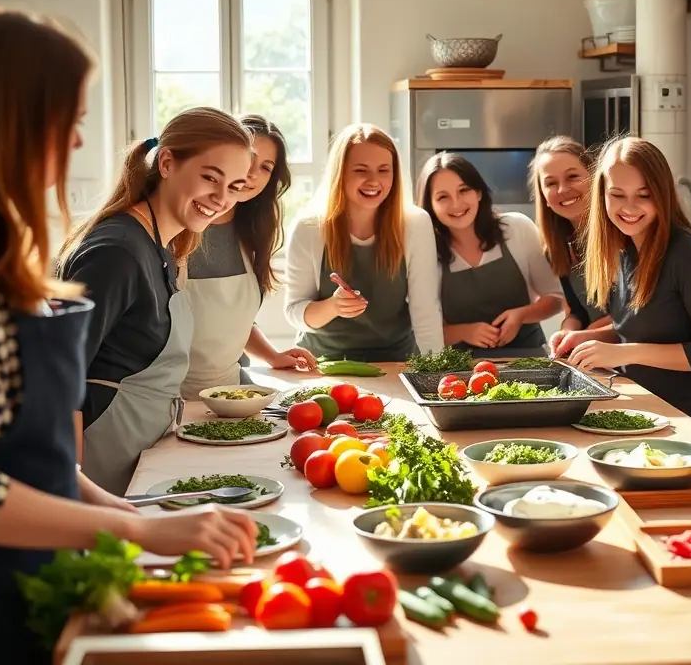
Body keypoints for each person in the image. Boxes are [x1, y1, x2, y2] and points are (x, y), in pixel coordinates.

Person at [0, 7, 256, 665]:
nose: (78, 142)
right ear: (8, 114)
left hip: (23, 559)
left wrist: (139, 522)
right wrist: (129, 526)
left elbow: (25, 448)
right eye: (70, 119)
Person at [59, 107, 254, 495]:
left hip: (137, 459)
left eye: (234, 186)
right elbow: (58, 381)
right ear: (167, 163)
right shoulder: (117, 252)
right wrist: (71, 490)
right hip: (98, 471)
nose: (221, 198)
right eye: (210, 178)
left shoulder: (162, 246)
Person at [551, 136, 691, 424]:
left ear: (662, 194)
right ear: (602, 196)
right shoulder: (625, 249)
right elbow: (642, 327)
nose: (630, 207)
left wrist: (620, 353)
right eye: (618, 195)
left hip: (677, 412)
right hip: (636, 399)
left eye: (644, 195)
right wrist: (587, 338)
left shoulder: (688, 256)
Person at [180, 114, 317, 400]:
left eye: (266, 168)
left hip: (230, 394)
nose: (253, 174)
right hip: (173, 396)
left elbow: (232, 323)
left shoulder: (251, 231)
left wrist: (273, 356)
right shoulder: (180, 227)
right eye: (250, 159)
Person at [284, 123, 444, 361]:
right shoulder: (308, 228)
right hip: (323, 364)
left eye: (383, 170)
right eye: (361, 170)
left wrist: (436, 370)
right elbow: (294, 312)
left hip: (395, 360)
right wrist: (332, 306)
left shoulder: (415, 223)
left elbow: (426, 311)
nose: (374, 181)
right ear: (341, 173)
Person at [417, 152, 563, 357]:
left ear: (478, 192)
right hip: (462, 368)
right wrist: (464, 332)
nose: (456, 203)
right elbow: (422, 328)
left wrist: (521, 315)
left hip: (529, 359)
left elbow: (556, 298)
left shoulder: (516, 229)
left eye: (464, 190)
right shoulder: (427, 252)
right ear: (430, 206)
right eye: (443, 197)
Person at [531, 135, 612, 334]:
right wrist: (566, 331)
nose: (563, 189)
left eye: (573, 177)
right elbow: (578, 311)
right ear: (544, 197)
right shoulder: (558, 247)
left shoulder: (620, 234)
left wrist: (588, 335)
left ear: (594, 177)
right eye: (550, 183)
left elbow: (638, 313)